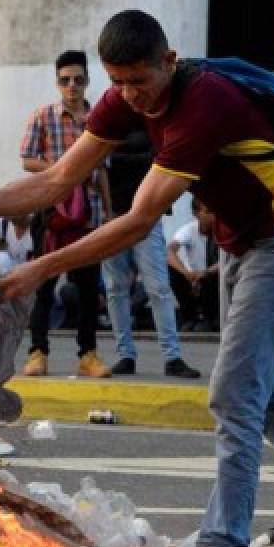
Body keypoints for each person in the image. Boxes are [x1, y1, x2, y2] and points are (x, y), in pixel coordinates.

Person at [0, 9, 274, 547]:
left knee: (235, 394)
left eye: (140, 81)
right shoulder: (123, 99)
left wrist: (40, 268)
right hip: (243, 241)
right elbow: (54, 181)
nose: (129, 96)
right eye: (117, 82)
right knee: (263, 382)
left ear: (168, 62)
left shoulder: (204, 104)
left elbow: (141, 219)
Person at [18, 50, 112, 378]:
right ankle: (38, 352)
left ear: (87, 81)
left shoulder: (99, 119)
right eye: (65, 80)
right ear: (57, 83)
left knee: (88, 288)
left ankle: (88, 354)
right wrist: (64, 172)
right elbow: (27, 159)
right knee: (44, 284)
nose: (72, 85)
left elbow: (102, 170)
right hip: (51, 214)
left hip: (89, 216)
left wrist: (110, 215)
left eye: (78, 79)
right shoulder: (44, 117)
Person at [101, 124, 200, 378]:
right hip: (112, 214)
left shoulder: (153, 122)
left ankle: (172, 356)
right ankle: (126, 354)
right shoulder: (108, 122)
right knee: (115, 287)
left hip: (147, 214)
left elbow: (167, 163)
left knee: (158, 287)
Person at [167, 197, 220, 331]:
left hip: (212, 279)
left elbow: (228, 261)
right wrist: (186, 273)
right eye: (208, 212)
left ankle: (211, 317)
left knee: (217, 275)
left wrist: (205, 273)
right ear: (196, 214)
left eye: (214, 212)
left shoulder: (222, 232)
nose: (213, 217)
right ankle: (190, 317)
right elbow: (170, 251)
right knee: (171, 271)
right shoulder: (189, 230)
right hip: (195, 279)